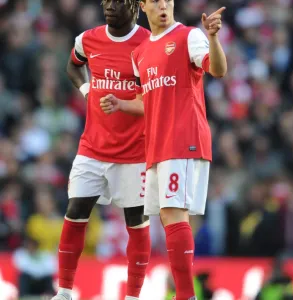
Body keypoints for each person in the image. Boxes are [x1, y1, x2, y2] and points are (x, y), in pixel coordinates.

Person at [100, 0, 227, 299]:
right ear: (143, 5)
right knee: (169, 218)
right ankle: (184, 293)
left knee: (174, 212)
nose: (163, 6)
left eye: (168, 1)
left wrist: (213, 38)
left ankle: (185, 295)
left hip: (183, 138)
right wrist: (120, 104)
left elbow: (218, 70)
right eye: (156, 1)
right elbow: (147, 101)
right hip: (157, 146)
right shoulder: (140, 54)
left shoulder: (188, 36)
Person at [52, 1, 151, 300]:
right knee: (75, 211)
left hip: (134, 150)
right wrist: (86, 92)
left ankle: (133, 295)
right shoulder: (88, 39)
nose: (110, 6)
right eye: (107, 1)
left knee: (136, 220)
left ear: (134, 7)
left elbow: (156, 96)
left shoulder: (148, 43)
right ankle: (65, 292)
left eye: (118, 2)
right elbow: (73, 65)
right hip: (92, 147)